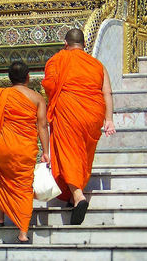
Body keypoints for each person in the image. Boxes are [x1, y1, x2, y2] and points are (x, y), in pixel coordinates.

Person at [42, 28, 116, 225]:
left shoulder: (58, 60)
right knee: (82, 154)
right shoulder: (97, 65)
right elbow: (107, 93)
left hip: (69, 110)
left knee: (69, 152)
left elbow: (49, 86)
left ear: (66, 44)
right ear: (84, 45)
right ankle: (71, 197)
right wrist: (109, 119)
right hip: (94, 114)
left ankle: (77, 196)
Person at [0, 61, 50, 243]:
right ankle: (23, 232)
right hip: (25, 148)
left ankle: (0, 217)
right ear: (28, 77)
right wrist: (46, 151)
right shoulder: (37, 98)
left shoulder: (2, 94)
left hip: (6, 146)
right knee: (24, 187)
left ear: (10, 78)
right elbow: (42, 126)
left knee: (3, 179)